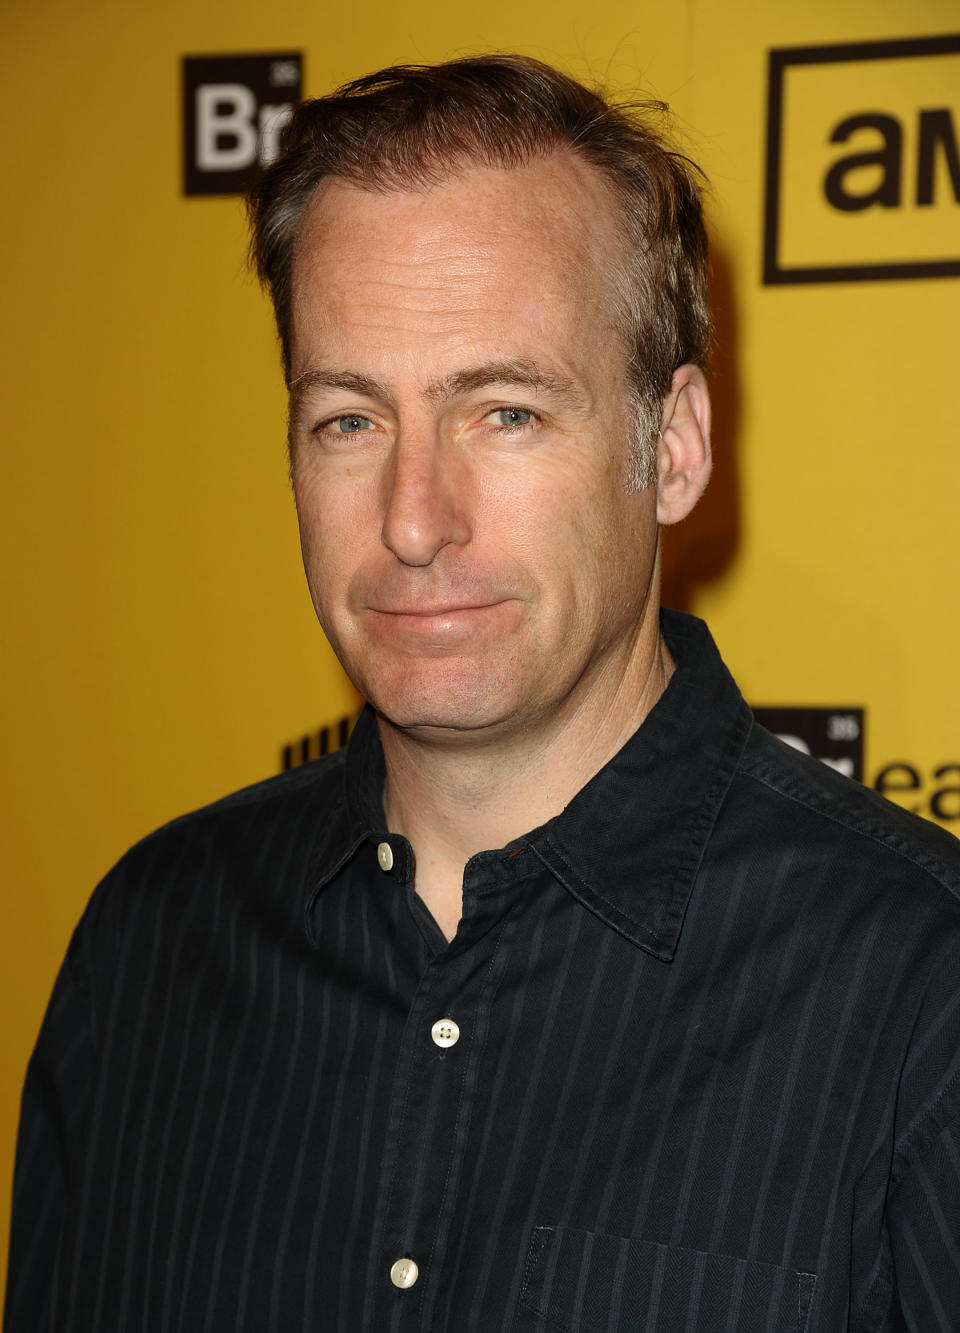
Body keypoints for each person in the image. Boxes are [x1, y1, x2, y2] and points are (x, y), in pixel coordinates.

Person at [5, 54, 960, 1333]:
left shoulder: (919, 992)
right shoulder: (146, 945)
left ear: (670, 446)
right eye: (350, 421)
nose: (412, 522)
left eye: (503, 413)